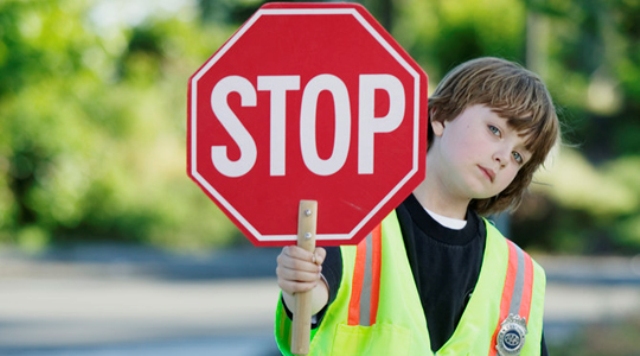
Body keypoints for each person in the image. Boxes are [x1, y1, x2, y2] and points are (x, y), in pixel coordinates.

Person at [274, 57, 560, 355]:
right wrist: (299, 284)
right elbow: (309, 302)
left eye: (518, 156)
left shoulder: (521, 277)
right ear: (440, 116)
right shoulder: (356, 226)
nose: (503, 156)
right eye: (495, 130)